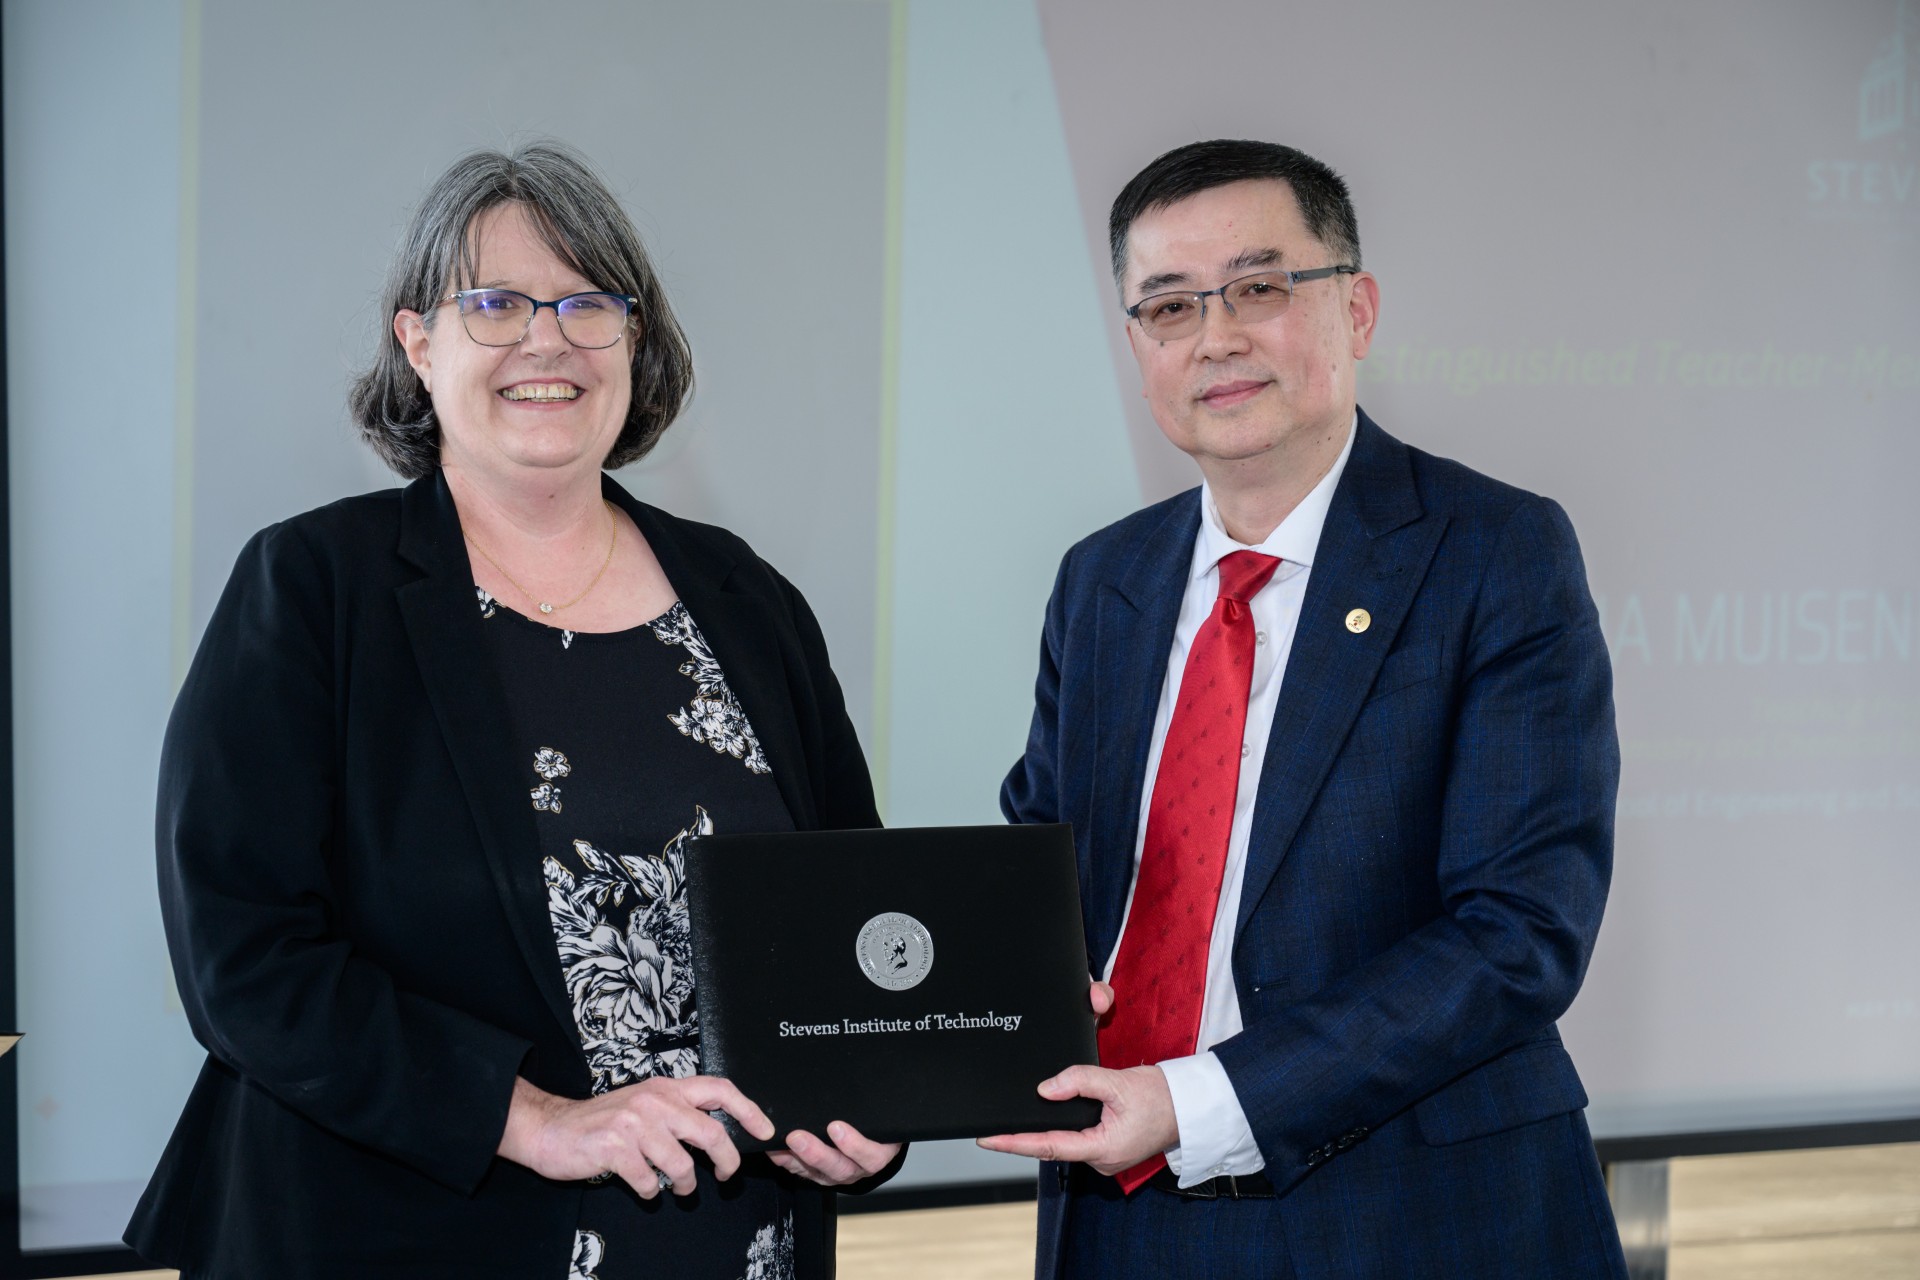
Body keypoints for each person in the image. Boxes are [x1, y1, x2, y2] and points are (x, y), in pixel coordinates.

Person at [127, 142, 900, 1280]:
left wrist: (868, 1100)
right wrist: (532, 1115)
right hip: (398, 1234)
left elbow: (853, 909)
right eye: (494, 303)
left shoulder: (745, 597)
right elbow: (243, 952)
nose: (549, 339)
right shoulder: (313, 588)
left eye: (591, 302)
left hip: (737, 1245)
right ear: (418, 342)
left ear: (635, 343)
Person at [983, 140, 1629, 1278]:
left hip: (1412, 1213)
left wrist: (1200, 1098)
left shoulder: (1496, 551)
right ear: (1137, 346)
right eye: (1170, 305)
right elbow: (1040, 869)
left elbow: (1520, 932)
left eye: (1260, 286)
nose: (1215, 336)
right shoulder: (1103, 581)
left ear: (1358, 308)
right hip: (1122, 1210)